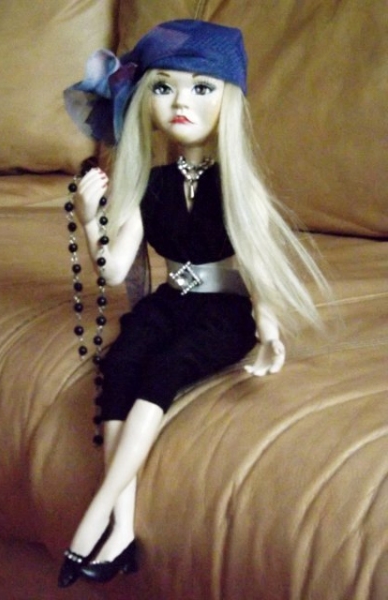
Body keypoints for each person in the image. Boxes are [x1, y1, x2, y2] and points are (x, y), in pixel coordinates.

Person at [58, 19, 329, 587]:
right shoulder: (149, 184)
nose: (181, 102)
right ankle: (121, 531)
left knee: (165, 369)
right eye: (163, 87)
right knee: (120, 365)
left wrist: (268, 324)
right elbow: (113, 269)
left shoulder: (235, 185)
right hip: (170, 303)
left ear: (229, 99)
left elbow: (256, 260)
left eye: (202, 87)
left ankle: (96, 517)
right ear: (143, 101)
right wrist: (90, 220)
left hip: (223, 312)